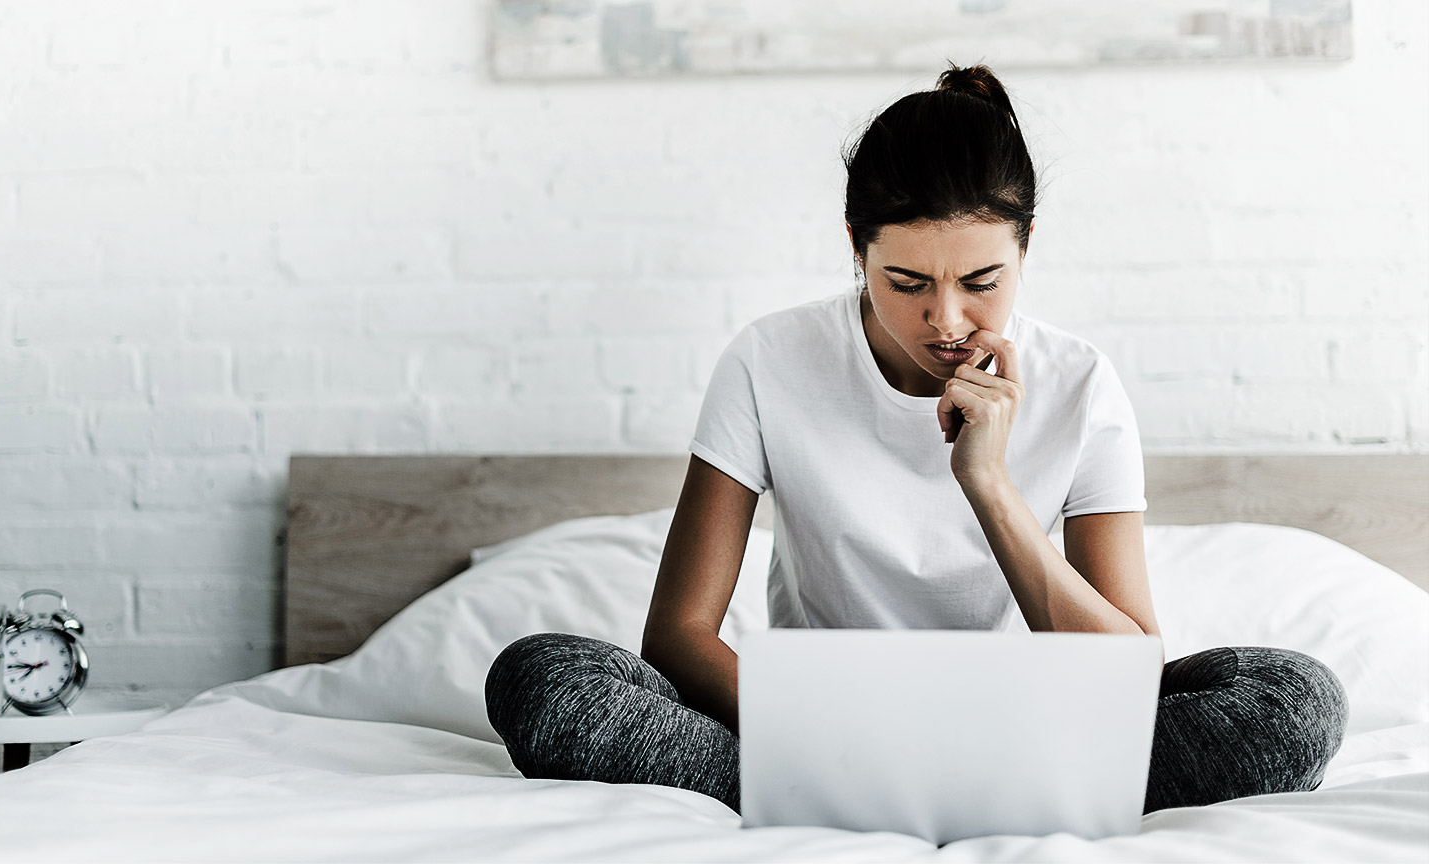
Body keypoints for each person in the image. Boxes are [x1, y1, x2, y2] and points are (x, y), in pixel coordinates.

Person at [483, 63, 1348, 816]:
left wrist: (990, 486)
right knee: (546, 679)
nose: (944, 320)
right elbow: (677, 634)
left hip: (1031, 725)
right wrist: (824, 731)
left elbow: (1128, 672)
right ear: (856, 248)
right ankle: (935, 787)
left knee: (1294, 702)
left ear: (1026, 248)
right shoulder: (769, 360)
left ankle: (867, 791)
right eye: (905, 282)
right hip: (817, 728)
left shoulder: (1083, 384)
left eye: (982, 281)